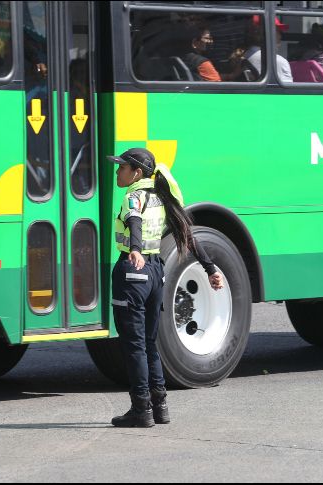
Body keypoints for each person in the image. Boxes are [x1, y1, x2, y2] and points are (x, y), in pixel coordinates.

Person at [107, 147, 224, 428]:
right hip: (155, 273)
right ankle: (160, 406)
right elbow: (188, 235)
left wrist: (134, 249)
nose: (117, 171)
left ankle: (140, 408)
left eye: (122, 167)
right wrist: (209, 268)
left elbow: (133, 220)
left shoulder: (133, 196)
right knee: (149, 342)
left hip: (132, 272)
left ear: (137, 173)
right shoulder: (163, 199)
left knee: (134, 345)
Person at [244, 16, 294, 83]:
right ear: (265, 34)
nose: (280, 36)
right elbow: (287, 92)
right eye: (278, 31)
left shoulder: (244, 55)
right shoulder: (278, 61)